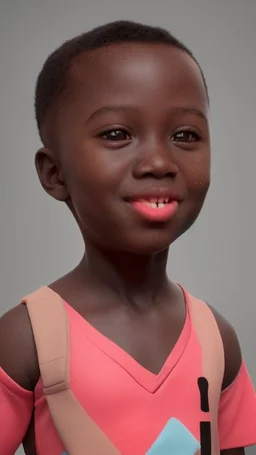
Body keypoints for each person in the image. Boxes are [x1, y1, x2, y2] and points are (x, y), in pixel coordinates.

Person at [0, 20, 255, 455]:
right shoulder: (28, 338)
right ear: (54, 173)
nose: (158, 161)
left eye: (185, 135)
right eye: (117, 134)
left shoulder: (217, 338)